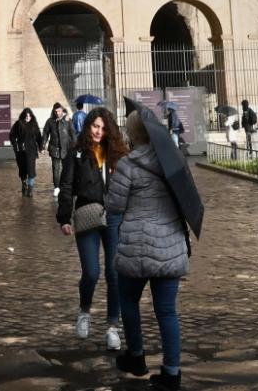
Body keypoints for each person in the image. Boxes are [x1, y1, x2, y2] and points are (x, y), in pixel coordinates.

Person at [106, 109, 193, 389]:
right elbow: (187, 197)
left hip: (136, 245)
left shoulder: (128, 165)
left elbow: (114, 206)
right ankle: (171, 372)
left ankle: (137, 356)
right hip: (170, 246)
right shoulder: (174, 161)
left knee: (129, 302)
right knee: (167, 311)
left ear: (132, 134)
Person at [57, 108, 127, 351]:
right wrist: (64, 217)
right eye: (95, 126)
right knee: (91, 272)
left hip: (115, 217)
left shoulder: (117, 154)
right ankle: (84, 312)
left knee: (114, 274)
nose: (98, 131)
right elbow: (66, 186)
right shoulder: (76, 154)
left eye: (103, 127)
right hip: (87, 214)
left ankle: (112, 327)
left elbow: (130, 186)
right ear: (88, 126)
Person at [42, 103, 75, 196]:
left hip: (66, 149)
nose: (57, 113)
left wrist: (76, 147)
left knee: (66, 169)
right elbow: (45, 133)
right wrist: (43, 146)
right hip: (54, 149)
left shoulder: (68, 120)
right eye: (55, 111)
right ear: (53, 111)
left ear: (62, 110)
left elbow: (73, 134)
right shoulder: (50, 121)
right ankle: (56, 187)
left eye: (59, 111)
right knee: (56, 169)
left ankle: (65, 186)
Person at [10, 106, 43, 196]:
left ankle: (30, 189)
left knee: (31, 170)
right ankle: (24, 184)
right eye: (26, 115)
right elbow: (12, 135)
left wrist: (41, 147)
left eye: (29, 116)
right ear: (23, 116)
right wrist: (15, 145)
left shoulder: (34, 125)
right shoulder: (18, 124)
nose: (28, 117)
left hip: (31, 151)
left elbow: (39, 137)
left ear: (32, 116)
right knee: (22, 170)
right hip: (20, 151)